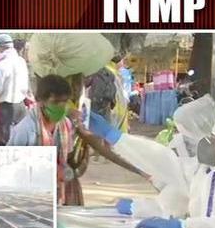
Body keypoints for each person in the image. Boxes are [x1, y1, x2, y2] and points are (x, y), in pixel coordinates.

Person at [9, 75, 143, 205]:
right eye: (55, 102)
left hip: (57, 188)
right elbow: (13, 166)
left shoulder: (65, 125)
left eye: (64, 102)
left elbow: (92, 147)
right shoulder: (25, 130)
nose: (60, 108)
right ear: (40, 101)